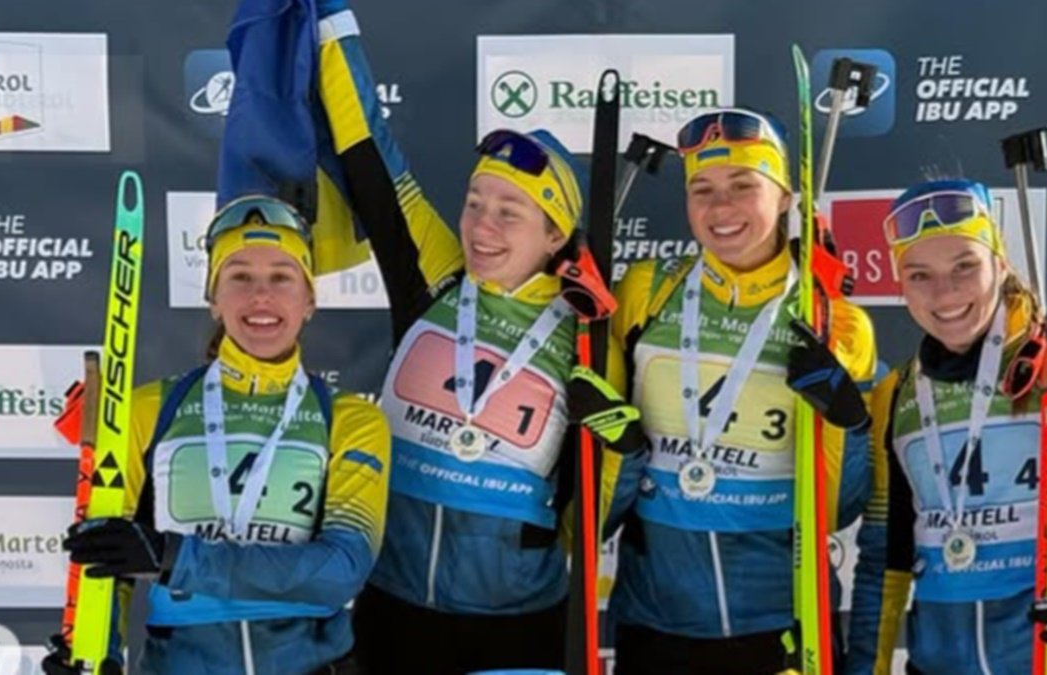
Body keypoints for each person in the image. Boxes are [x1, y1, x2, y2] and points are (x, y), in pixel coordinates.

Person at [305, 5, 648, 673]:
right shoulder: (436, 275)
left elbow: (594, 517)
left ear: (555, 233)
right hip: (393, 605)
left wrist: (624, 449)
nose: (482, 226)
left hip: (517, 621)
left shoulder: (588, 333)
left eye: (509, 212)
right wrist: (328, 24)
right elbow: (370, 150)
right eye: (474, 203)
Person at [43, 196, 391, 675]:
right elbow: (106, 562)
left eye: (282, 277)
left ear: (309, 301)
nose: (261, 295)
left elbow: (340, 570)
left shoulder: (351, 421)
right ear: (214, 298)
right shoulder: (148, 410)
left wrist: (173, 557)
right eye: (240, 276)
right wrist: (94, 653)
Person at [846, 179, 1047, 674]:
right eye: (919, 275)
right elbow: (884, 559)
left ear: (1000, 264)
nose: (944, 292)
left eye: (965, 266)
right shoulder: (896, 395)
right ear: (901, 284)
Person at [606, 108, 878, 674]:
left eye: (743, 186)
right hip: (655, 619)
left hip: (780, 621)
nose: (720, 208)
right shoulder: (646, 292)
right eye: (701, 189)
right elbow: (602, 472)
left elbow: (840, 506)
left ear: (784, 198)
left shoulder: (834, 321)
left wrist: (848, 424)